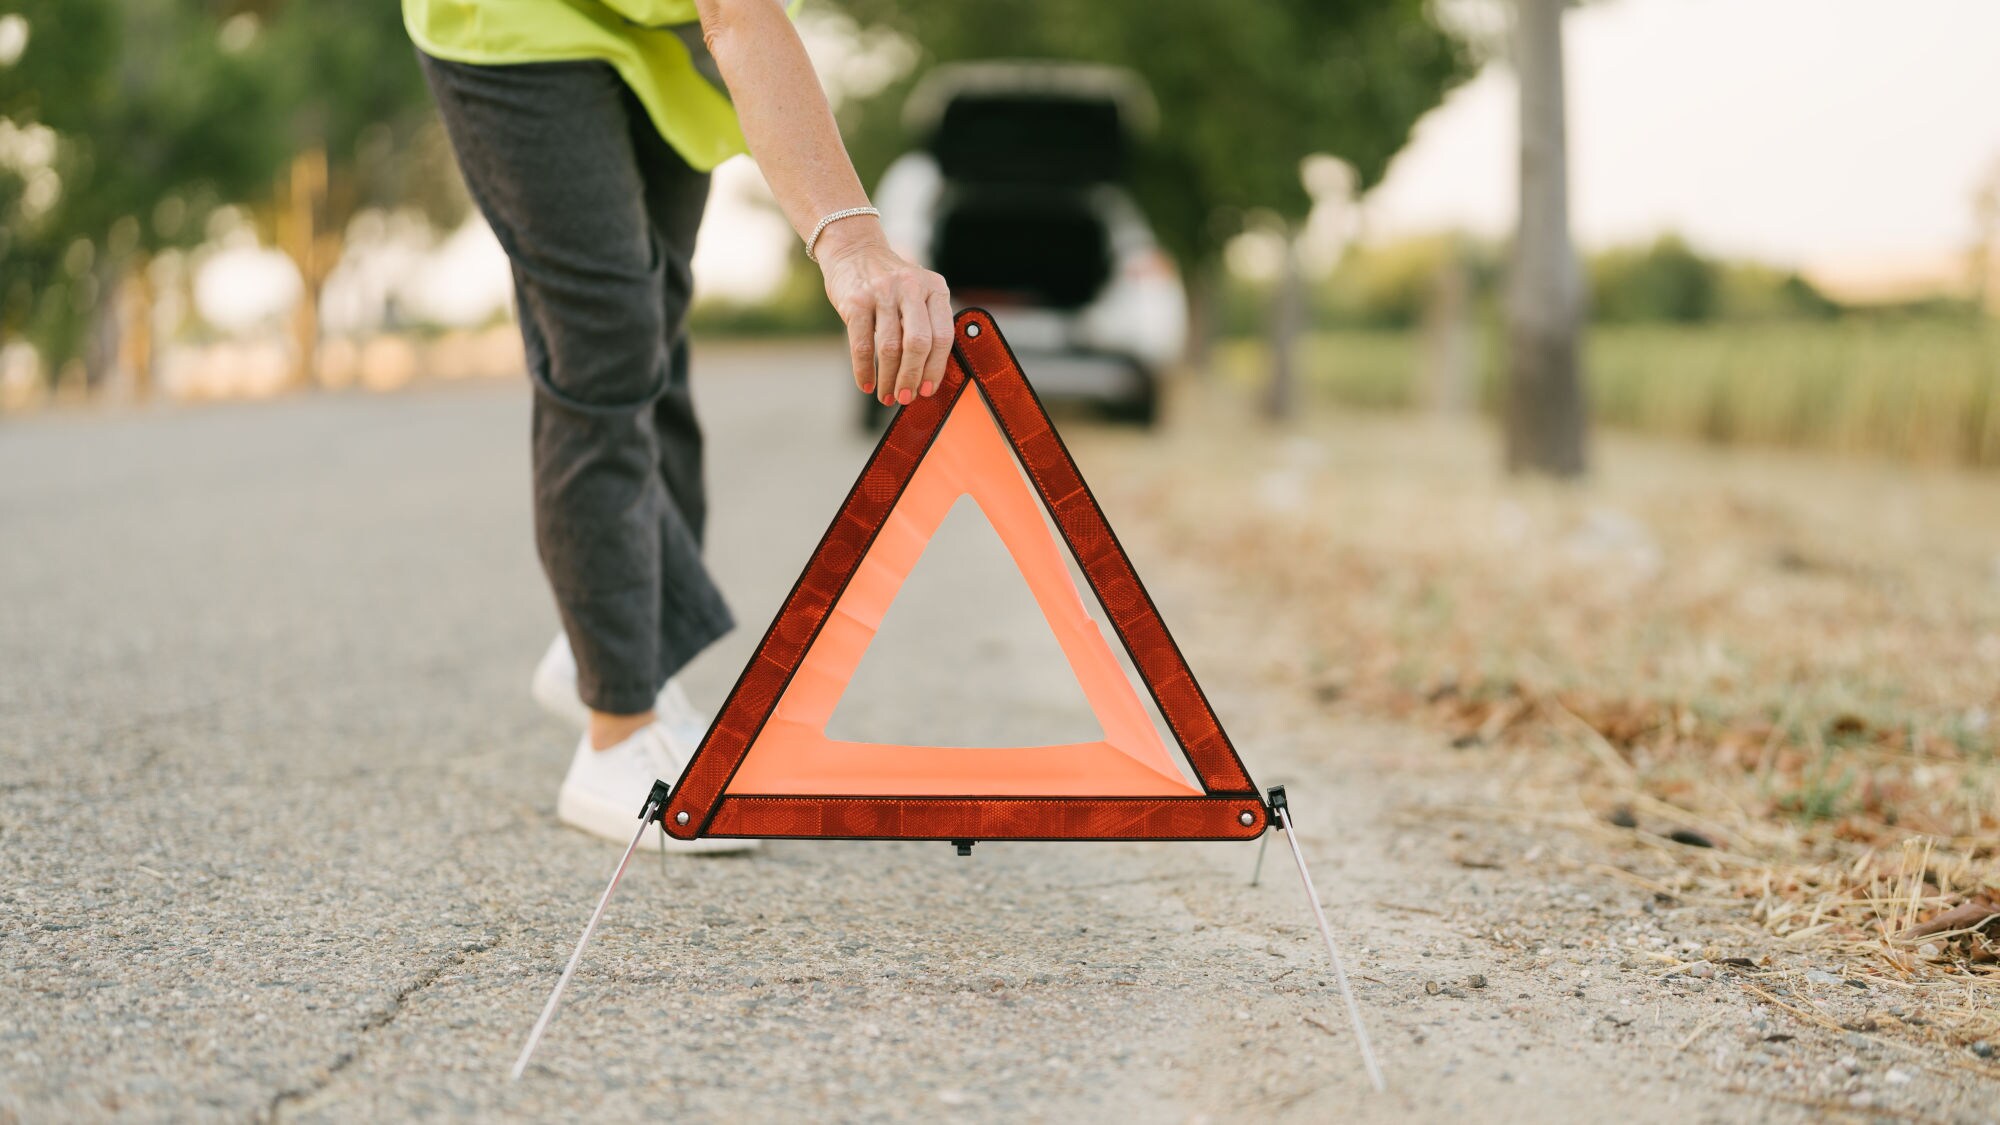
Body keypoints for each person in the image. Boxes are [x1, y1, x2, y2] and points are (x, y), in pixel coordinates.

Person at [403, 0, 952, 853]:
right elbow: (739, 13)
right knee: (606, 347)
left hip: (655, 37)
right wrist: (849, 240)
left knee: (652, 333)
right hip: (514, 27)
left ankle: (616, 648)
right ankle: (616, 731)